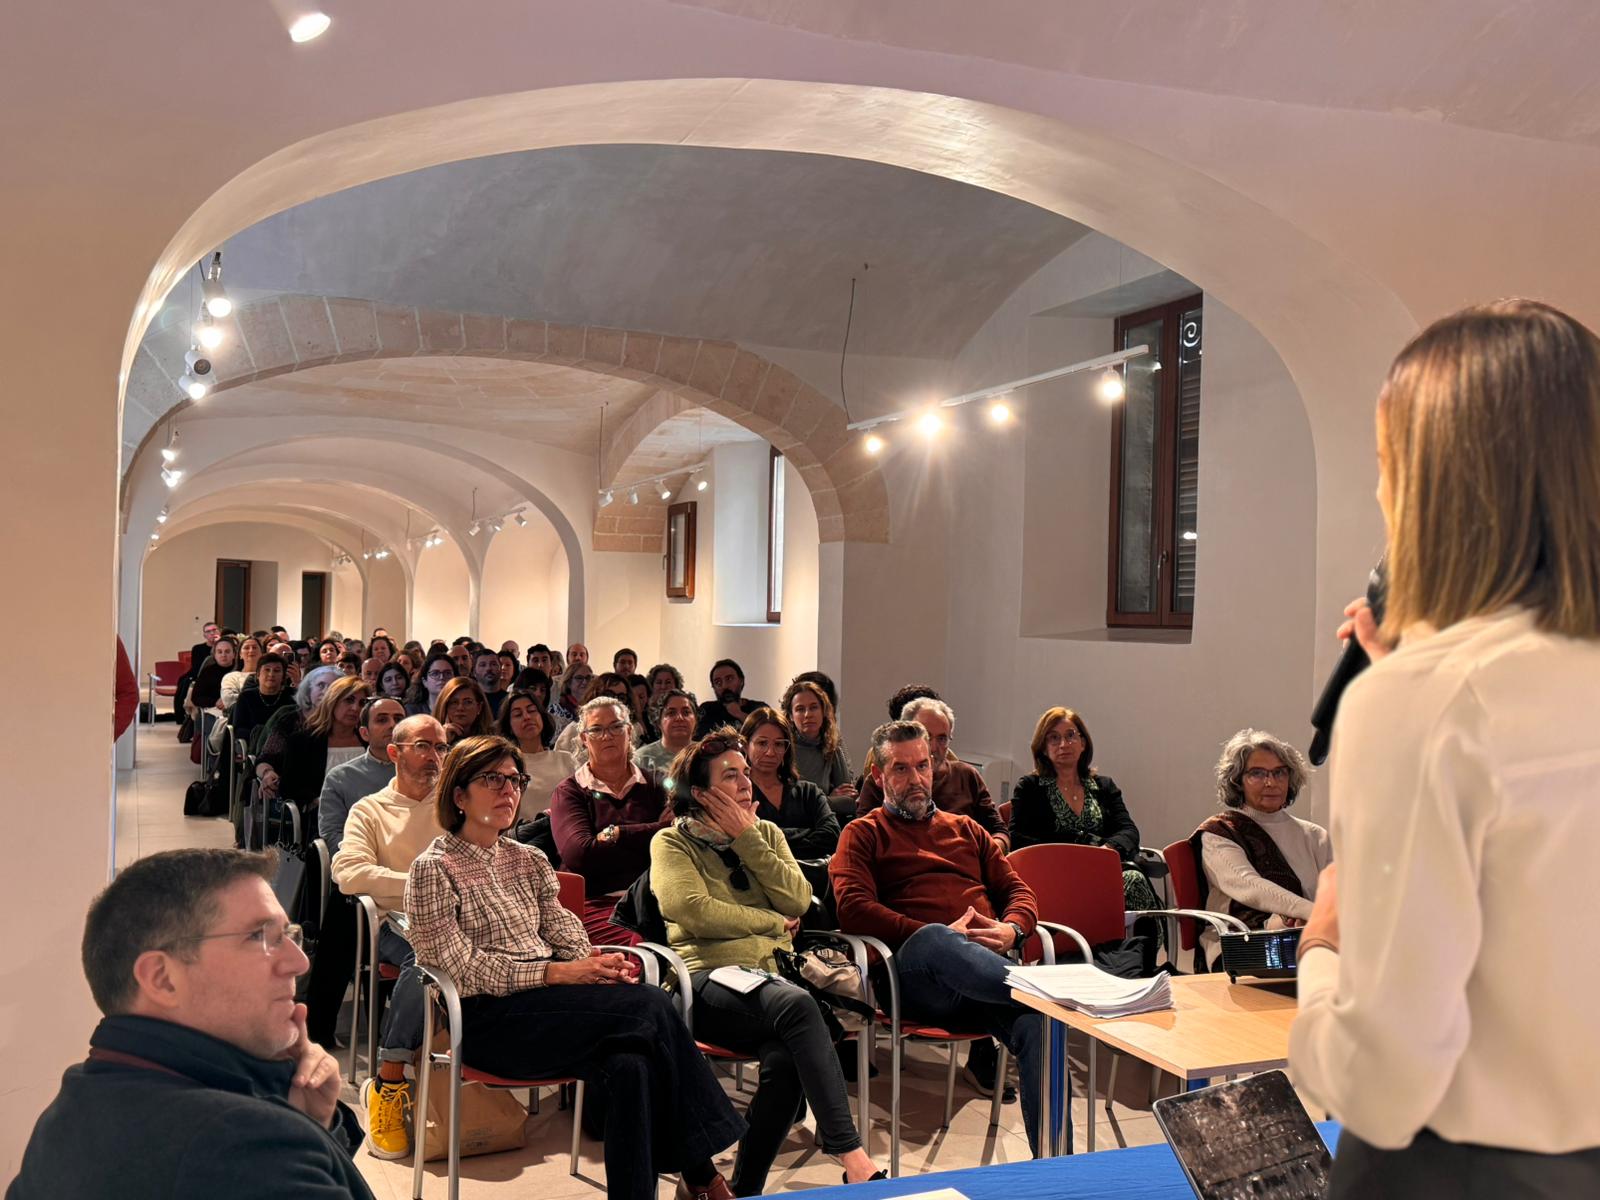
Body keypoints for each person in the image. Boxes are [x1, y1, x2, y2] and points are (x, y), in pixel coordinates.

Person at [1288, 300, 1600, 1194]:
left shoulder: (1426, 704)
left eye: (1390, 468)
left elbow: (1384, 1084)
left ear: (1433, 486)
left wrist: (1322, 949)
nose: (1383, 493)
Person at [405, 735, 745, 1200]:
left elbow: (567, 935)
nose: (508, 790)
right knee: (648, 1006)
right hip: (485, 1022)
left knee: (632, 1064)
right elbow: (457, 970)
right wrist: (553, 973)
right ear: (458, 795)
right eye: (492, 779)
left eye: (514, 780)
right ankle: (703, 1173)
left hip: (551, 1008)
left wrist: (594, 963)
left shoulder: (529, 860)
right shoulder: (433, 868)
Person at [8, 849, 370, 1199]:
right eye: (260, 937)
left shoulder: (70, 1111)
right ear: (163, 978)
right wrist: (292, 1130)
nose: (299, 963)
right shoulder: (242, 1144)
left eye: (289, 935)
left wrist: (310, 1124)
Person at [653, 733, 883, 1194]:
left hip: (771, 982)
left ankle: (745, 1190)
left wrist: (747, 838)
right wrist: (771, 921)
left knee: (785, 1063)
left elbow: (801, 898)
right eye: (731, 775)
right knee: (800, 1006)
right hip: (704, 981)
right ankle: (850, 1152)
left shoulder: (765, 833)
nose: (746, 782)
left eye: (745, 772)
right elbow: (693, 909)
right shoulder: (671, 843)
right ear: (700, 793)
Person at [830, 720, 1044, 1148]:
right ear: (879, 776)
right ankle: (1048, 991)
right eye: (901, 769)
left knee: (1041, 1024)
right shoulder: (864, 833)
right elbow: (852, 908)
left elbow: (1018, 891)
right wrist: (932, 933)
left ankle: (1058, 1164)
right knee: (935, 939)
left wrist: (1012, 930)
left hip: (983, 983)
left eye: (922, 766)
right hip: (912, 981)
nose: (916, 778)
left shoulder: (967, 829)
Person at [333, 715, 449, 1159]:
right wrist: (420, 884)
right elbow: (349, 872)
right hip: (393, 924)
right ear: (395, 752)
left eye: (441, 747)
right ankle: (389, 1080)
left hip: (457, 918)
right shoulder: (370, 810)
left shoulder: (453, 806)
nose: (435, 757)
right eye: (424, 746)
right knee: (425, 958)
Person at [301, 697, 408, 1049]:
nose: (392, 725)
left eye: (398, 718)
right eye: (382, 719)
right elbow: (334, 838)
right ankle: (319, 1027)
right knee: (347, 908)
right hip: (362, 881)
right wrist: (375, 872)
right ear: (364, 732)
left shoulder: (428, 777)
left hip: (412, 883)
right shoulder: (343, 778)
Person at [1191, 729, 1330, 963]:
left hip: (1311, 939)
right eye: (1257, 773)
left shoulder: (1315, 835)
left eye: (1279, 773)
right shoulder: (1219, 833)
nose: (1270, 782)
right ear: (1237, 780)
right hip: (1242, 947)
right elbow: (1251, 887)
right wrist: (1313, 913)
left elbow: (1336, 893)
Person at [1010, 707, 1161, 913]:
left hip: (1103, 870)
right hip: (1056, 874)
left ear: (1083, 743)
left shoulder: (1104, 786)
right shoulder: (1030, 787)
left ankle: (1133, 946)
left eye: (1070, 735)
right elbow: (1018, 838)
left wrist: (1106, 851)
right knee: (1127, 883)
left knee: (1134, 879)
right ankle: (1112, 944)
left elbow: (1128, 831)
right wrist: (1075, 852)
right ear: (1044, 748)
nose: (1064, 744)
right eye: (1054, 738)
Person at [550, 696, 672, 944]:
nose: (607, 736)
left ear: (629, 731)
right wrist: (653, 834)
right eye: (596, 729)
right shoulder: (570, 792)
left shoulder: (658, 784)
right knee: (642, 948)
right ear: (584, 738)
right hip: (594, 903)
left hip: (654, 898)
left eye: (616, 727)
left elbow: (674, 840)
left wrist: (617, 835)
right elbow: (580, 854)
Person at [855, 697, 1007, 849]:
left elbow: (999, 831)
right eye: (926, 736)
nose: (933, 747)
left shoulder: (967, 776)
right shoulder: (883, 782)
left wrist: (986, 856)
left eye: (942, 738)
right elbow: (864, 840)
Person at [256, 676, 371, 823]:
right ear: (332, 702)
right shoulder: (303, 741)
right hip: (322, 818)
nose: (356, 708)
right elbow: (291, 789)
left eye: (362, 703)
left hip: (367, 815)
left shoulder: (369, 742)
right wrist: (318, 802)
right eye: (349, 700)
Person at [739, 708, 840, 858]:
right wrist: (806, 832)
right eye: (762, 743)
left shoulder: (808, 792)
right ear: (746, 745)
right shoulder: (738, 793)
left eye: (779, 744)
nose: (770, 752)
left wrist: (772, 839)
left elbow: (831, 836)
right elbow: (745, 843)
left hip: (812, 877)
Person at [496, 688, 577, 819]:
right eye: (518, 715)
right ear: (509, 727)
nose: (527, 717)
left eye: (532, 711)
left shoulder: (567, 759)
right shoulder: (505, 767)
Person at [781, 677, 856, 813]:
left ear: (823, 711)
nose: (808, 714)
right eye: (800, 709)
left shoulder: (832, 746)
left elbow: (849, 801)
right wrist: (827, 799)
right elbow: (789, 804)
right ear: (791, 716)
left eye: (814, 707)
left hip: (826, 825)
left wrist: (819, 802)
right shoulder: (783, 749)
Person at [553, 672, 637, 762]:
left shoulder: (629, 729)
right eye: (609, 695)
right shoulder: (573, 731)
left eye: (621, 697)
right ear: (596, 695)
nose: (614, 701)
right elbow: (560, 768)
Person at [634, 688, 698, 786]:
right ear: (658, 721)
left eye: (686, 712)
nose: (679, 718)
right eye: (671, 713)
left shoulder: (707, 754)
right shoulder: (641, 759)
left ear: (696, 719)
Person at [231, 652, 294, 750]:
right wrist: (264, 735)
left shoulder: (293, 695)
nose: (271, 674)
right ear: (258, 675)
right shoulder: (246, 696)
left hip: (286, 746)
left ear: (283, 677)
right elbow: (238, 729)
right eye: (267, 670)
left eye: (277, 671)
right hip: (254, 747)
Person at [695, 659, 767, 736]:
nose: (724, 686)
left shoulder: (759, 709)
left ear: (741, 681)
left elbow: (768, 734)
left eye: (729, 679)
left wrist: (739, 714)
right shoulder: (707, 710)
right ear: (714, 688)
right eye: (718, 682)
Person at [432, 675, 491, 744]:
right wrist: (442, 742)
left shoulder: (492, 741)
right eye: (454, 702)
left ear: (479, 707)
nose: (460, 708)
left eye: (468, 702)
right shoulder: (427, 737)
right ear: (444, 706)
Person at [548, 658, 594, 736]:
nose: (585, 682)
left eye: (588, 677)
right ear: (569, 682)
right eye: (579, 678)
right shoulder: (556, 710)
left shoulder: (597, 705)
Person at [404, 651, 456, 716]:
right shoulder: (411, 711)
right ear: (425, 681)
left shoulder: (461, 709)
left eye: (447, 673)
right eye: (435, 673)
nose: (441, 677)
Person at [473, 649, 509, 719]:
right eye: (483, 665)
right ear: (474, 672)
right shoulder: (471, 700)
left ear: (501, 669)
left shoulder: (509, 700)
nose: (488, 668)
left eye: (493, 664)